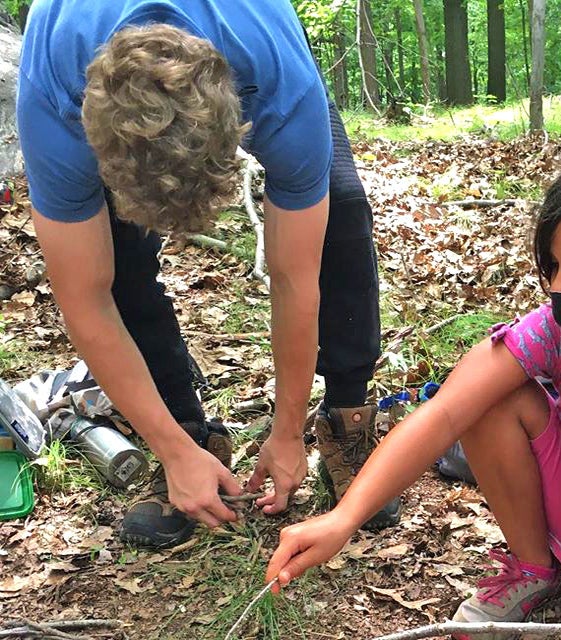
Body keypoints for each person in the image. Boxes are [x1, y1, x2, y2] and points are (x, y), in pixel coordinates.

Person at [266, 137, 561, 633]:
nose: (560, 287)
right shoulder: (554, 330)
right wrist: (344, 518)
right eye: (555, 267)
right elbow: (445, 412)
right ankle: (534, 567)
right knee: (490, 398)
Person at [16, 0, 400, 549]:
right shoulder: (53, 97)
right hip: (73, 80)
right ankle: (186, 436)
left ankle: (346, 416)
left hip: (257, 53)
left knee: (340, 211)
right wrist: (172, 449)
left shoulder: (278, 84)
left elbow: (295, 278)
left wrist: (288, 431)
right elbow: (85, 297)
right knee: (119, 263)